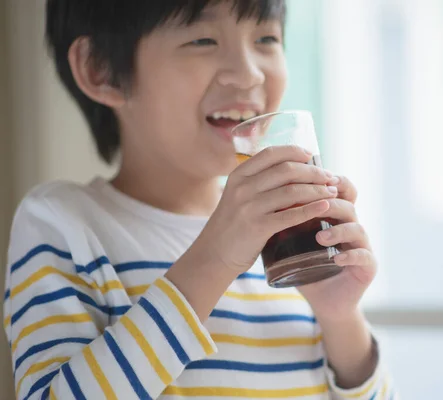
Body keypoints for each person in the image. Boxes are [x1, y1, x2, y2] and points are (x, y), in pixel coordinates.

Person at [3, 1, 395, 398]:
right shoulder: (61, 223)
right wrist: (216, 258)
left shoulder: (287, 237)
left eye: (266, 38)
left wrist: (340, 318)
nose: (248, 74)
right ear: (101, 67)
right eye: (203, 39)